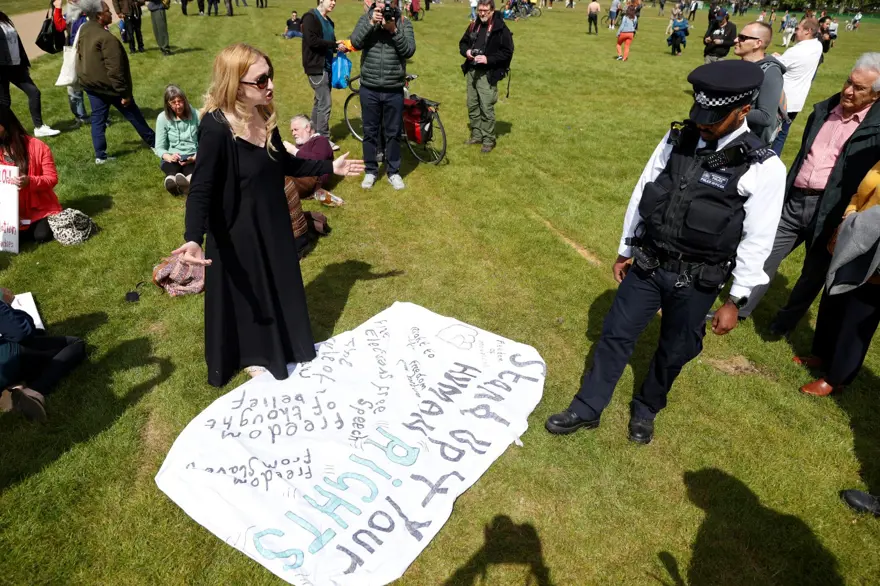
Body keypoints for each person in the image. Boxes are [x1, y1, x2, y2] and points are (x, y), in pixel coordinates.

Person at [544, 61, 786, 444]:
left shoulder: (763, 166)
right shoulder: (679, 138)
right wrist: (626, 247)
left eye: (713, 119)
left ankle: (646, 408)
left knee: (676, 349)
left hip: (698, 278)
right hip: (649, 263)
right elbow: (645, 189)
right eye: (700, 115)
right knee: (615, 334)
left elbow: (759, 237)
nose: (703, 126)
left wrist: (736, 300)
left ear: (742, 110)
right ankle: (587, 407)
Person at [172, 43, 363, 387]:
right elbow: (201, 187)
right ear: (234, 83)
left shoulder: (263, 113)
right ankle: (253, 354)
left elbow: (285, 163)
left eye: (269, 76)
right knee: (250, 294)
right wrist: (192, 238)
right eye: (260, 80)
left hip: (273, 220)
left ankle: (285, 340)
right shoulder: (216, 128)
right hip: (237, 229)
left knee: (278, 285)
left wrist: (328, 165)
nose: (270, 85)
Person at [737, 54, 880, 332]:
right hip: (795, 199)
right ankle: (739, 306)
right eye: (848, 82)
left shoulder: (875, 130)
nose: (849, 91)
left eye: (859, 88)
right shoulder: (824, 109)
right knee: (764, 254)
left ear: (875, 95)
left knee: (812, 274)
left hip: (832, 209)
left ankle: (783, 324)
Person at [796, 162, 880, 397]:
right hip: (853, 239)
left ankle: (837, 378)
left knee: (859, 313)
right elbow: (859, 192)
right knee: (834, 296)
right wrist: (850, 215)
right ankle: (821, 354)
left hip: (876, 253)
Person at [77, 0, 156, 164]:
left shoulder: (85, 28)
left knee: (98, 119)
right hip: (110, 87)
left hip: (91, 85)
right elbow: (116, 70)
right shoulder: (107, 39)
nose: (111, 13)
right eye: (107, 11)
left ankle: (100, 156)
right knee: (133, 114)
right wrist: (125, 93)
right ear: (99, 15)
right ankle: (155, 143)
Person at [352, 0, 417, 187]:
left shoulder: (403, 23)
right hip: (369, 87)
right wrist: (371, 23)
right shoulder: (365, 19)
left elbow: (409, 50)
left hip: (393, 88)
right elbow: (356, 41)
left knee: (393, 132)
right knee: (370, 132)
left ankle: (393, 171)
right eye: (379, 1)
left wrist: (393, 30)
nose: (383, 6)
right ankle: (371, 171)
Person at [0, 289, 85, 422]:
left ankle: (11, 387)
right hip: (8, 359)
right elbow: (22, 332)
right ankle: (33, 393)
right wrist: (5, 303)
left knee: (38, 337)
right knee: (75, 344)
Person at [0, 107, 62, 243]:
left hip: (39, 207)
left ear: (6, 124)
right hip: (8, 210)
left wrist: (29, 181)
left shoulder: (38, 147)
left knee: (41, 236)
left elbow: (51, 179)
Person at [459, 0, 512, 155]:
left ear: (492, 10)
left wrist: (488, 59)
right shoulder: (473, 25)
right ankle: (476, 135)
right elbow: (462, 43)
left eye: (485, 10)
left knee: (486, 107)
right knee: (472, 105)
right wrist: (467, 52)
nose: (481, 13)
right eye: (480, 10)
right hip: (472, 71)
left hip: (487, 73)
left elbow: (507, 52)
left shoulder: (500, 28)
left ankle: (488, 140)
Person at [0, 13, 61, 138]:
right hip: (2, 69)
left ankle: (39, 128)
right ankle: (7, 131)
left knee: (34, 92)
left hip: (16, 66)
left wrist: (23, 62)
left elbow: (17, 42)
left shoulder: (4, 18)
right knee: (5, 102)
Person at [769, 18, 822, 155]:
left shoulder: (797, 51)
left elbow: (776, 67)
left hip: (782, 100)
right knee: (781, 135)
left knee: (768, 136)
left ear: (808, 31)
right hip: (797, 101)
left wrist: (773, 57)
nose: (795, 31)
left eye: (798, 29)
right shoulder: (817, 46)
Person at [302, 0, 346, 151]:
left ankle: (311, 134)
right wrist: (333, 44)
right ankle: (324, 140)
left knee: (319, 102)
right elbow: (312, 41)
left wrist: (339, 47)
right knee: (325, 103)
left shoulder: (330, 22)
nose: (333, 2)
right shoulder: (310, 17)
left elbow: (328, 44)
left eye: (335, 0)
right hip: (316, 67)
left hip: (327, 67)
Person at [734, 22, 786, 146]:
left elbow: (766, 116)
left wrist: (729, 110)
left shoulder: (771, 73)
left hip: (750, 143)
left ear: (758, 43)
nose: (736, 40)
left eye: (742, 38)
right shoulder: (741, 65)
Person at [53, 0, 91, 126]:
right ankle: (81, 118)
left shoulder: (90, 15)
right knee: (73, 87)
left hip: (89, 55)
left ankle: (102, 117)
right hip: (73, 55)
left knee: (94, 86)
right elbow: (59, 26)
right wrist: (57, 8)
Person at [156, 84, 198, 195]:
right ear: (168, 104)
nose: (178, 106)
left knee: (192, 170)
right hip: (172, 156)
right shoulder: (162, 118)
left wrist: (195, 157)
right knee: (171, 170)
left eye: (180, 101)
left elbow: (205, 141)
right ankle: (172, 182)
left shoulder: (196, 115)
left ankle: (188, 182)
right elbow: (159, 147)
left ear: (185, 100)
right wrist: (169, 157)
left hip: (192, 155)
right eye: (174, 103)